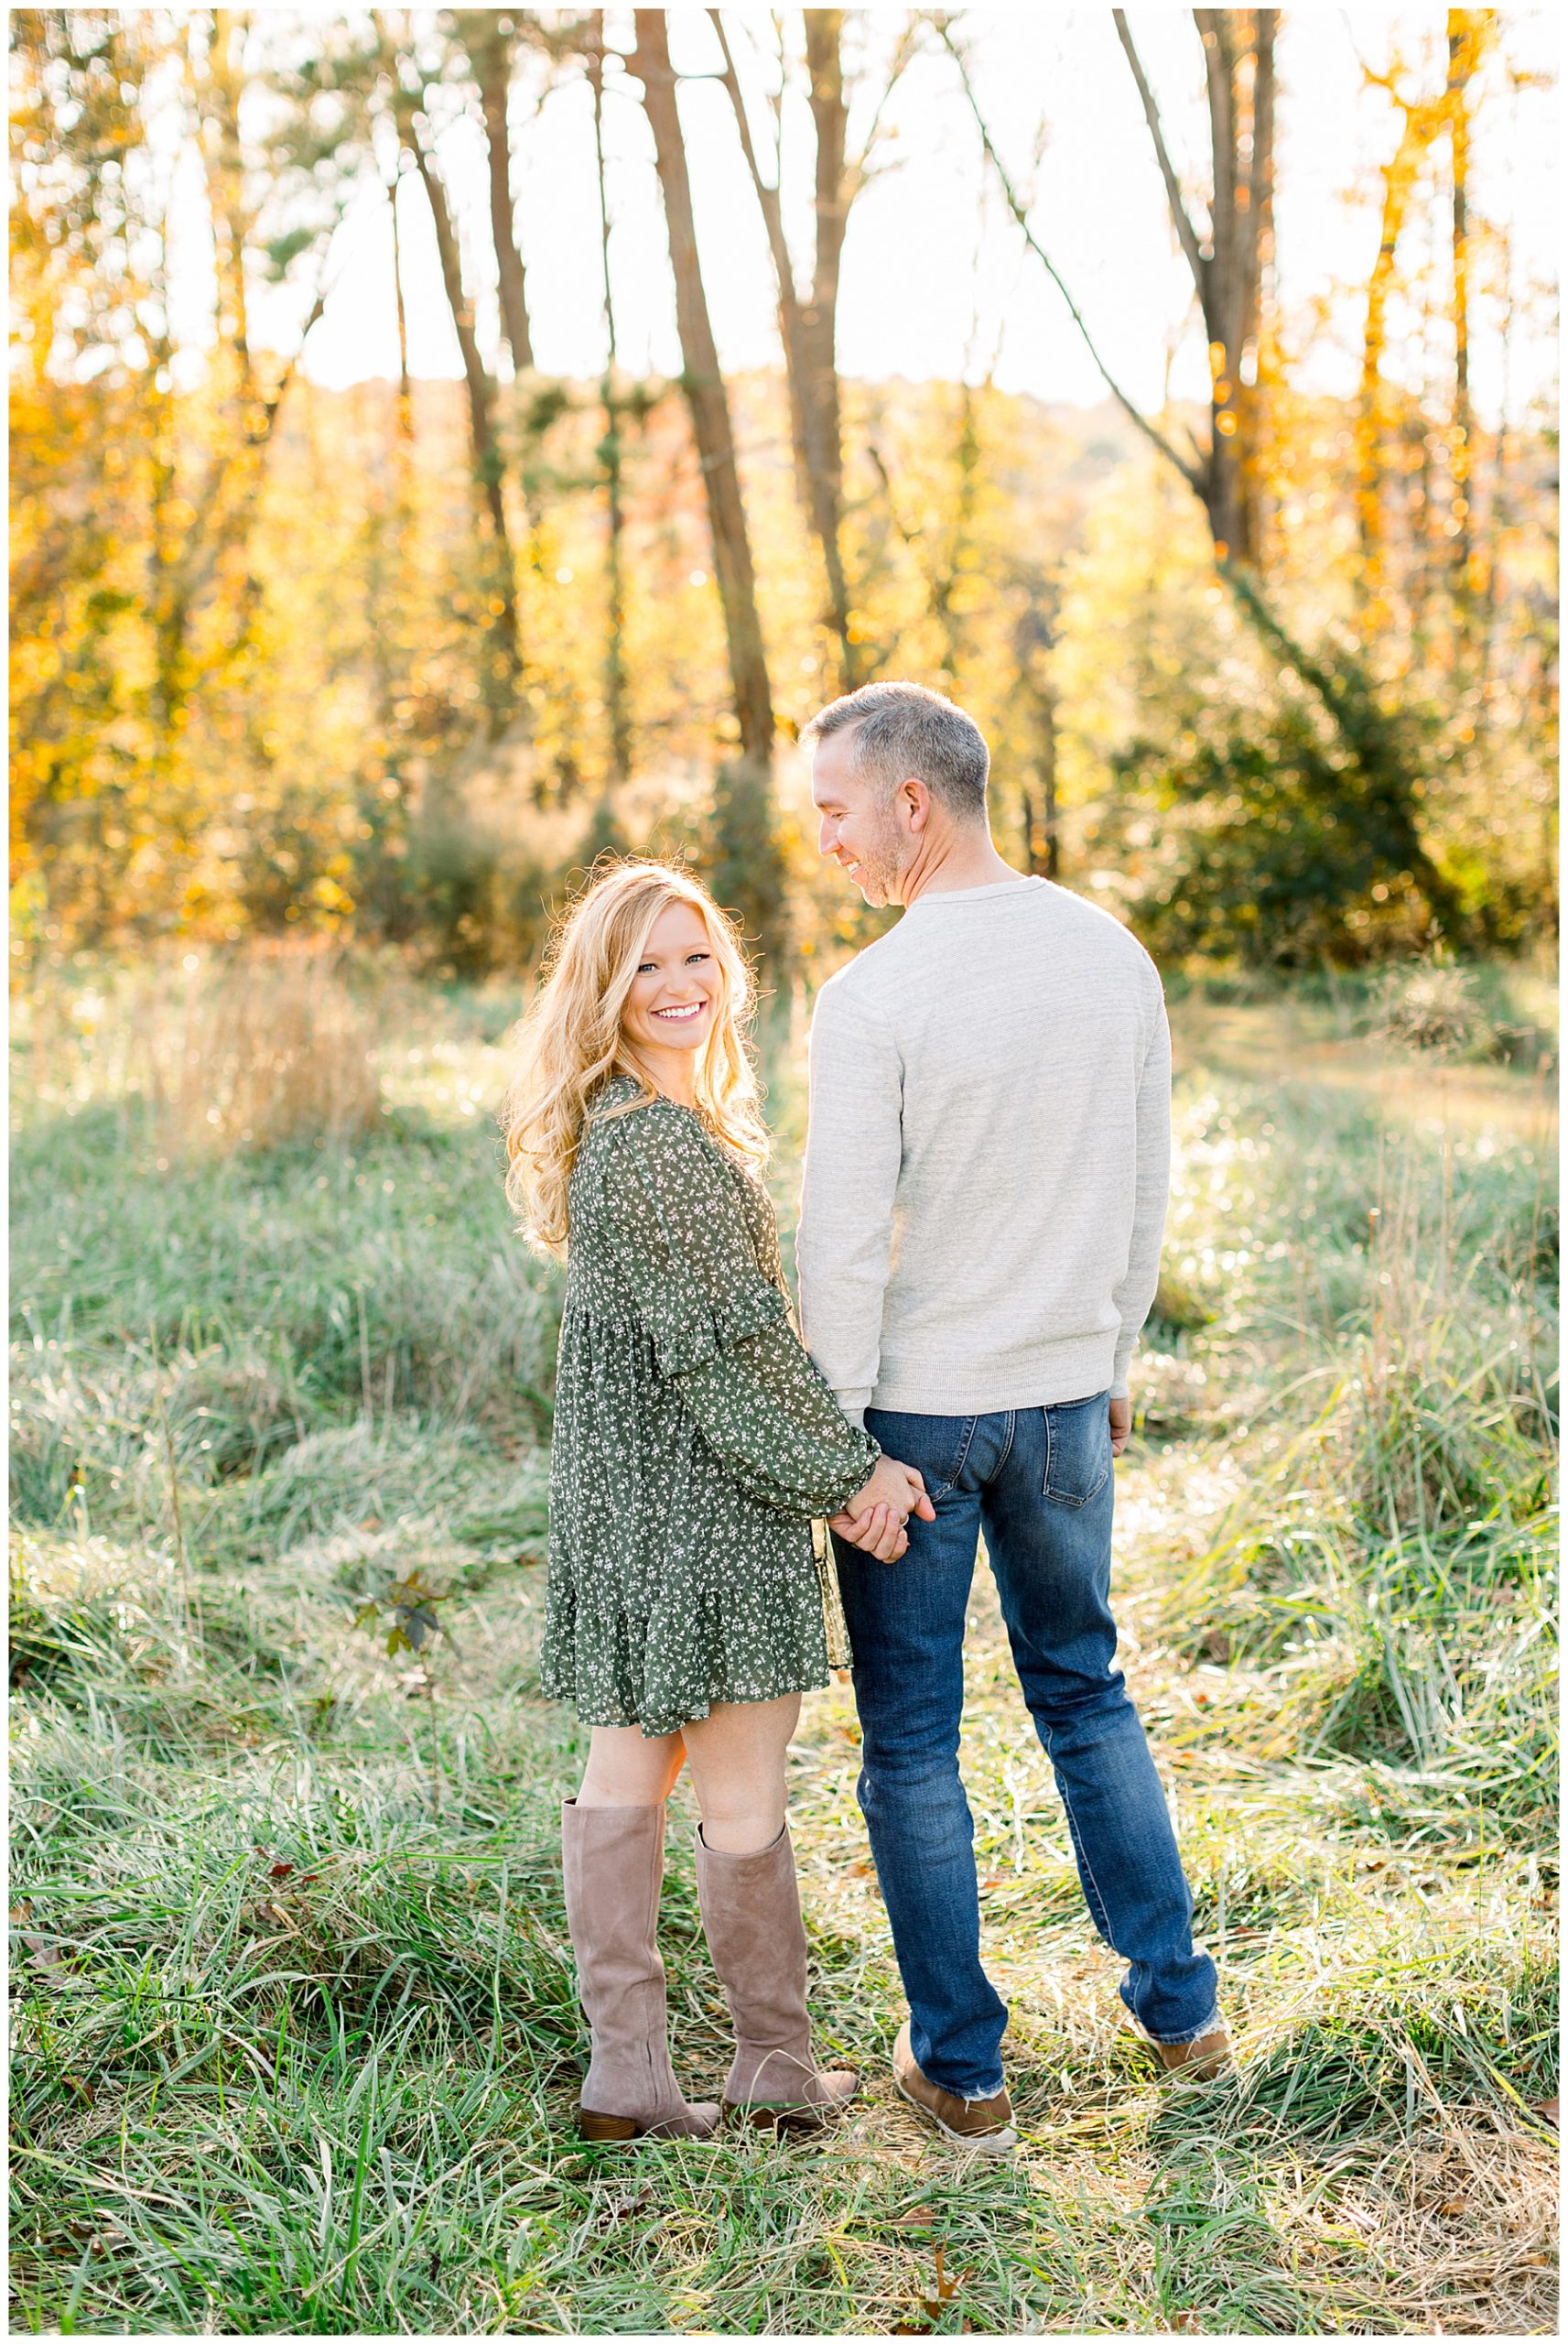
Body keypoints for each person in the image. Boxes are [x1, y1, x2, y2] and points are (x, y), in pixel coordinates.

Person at [796, 680, 1230, 2155]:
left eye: (838, 811)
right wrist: (1109, 1350)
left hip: (913, 1425)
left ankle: (963, 2071)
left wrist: (838, 1444)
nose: (829, 842)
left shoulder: (873, 998)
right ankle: (1181, 2012)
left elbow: (843, 1245)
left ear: (911, 802)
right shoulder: (1107, 954)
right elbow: (1144, 1175)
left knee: (911, 1743)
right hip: (1060, 1399)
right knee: (1085, 1690)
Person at [503, 859, 932, 2143]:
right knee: (734, 1801)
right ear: (602, 990)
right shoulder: (660, 1150)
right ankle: (771, 2070)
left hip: (631, 1514)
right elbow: (733, 1351)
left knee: (622, 1778)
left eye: (694, 956)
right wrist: (852, 1474)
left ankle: (628, 2074)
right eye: (644, 964)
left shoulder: (631, 1136)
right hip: (700, 1516)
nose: (677, 985)